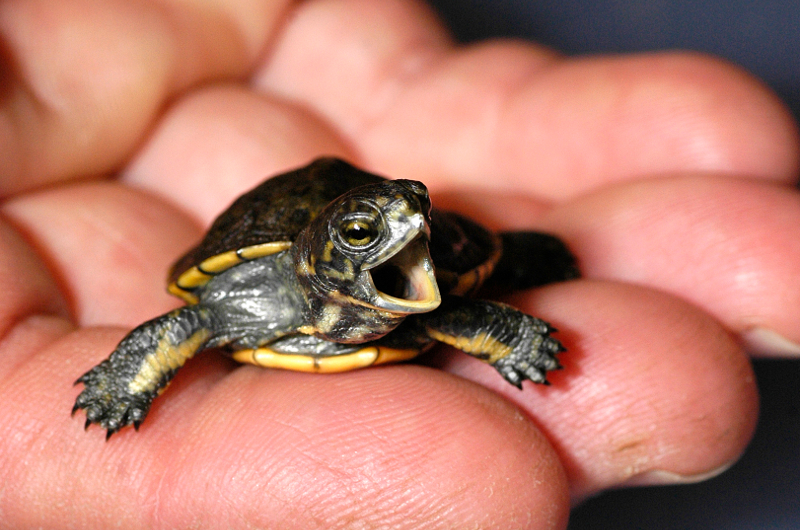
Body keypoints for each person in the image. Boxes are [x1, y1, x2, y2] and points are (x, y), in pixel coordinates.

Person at [0, 1, 797, 528]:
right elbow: (187, 321)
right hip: (276, 266)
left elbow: (464, 307)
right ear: (324, 254)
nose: (405, 225)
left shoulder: (416, 279)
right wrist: (123, 383)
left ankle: (515, 247)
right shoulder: (256, 295)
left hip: (376, 290)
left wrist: (520, 339)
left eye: (412, 212)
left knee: (493, 270)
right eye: (360, 233)